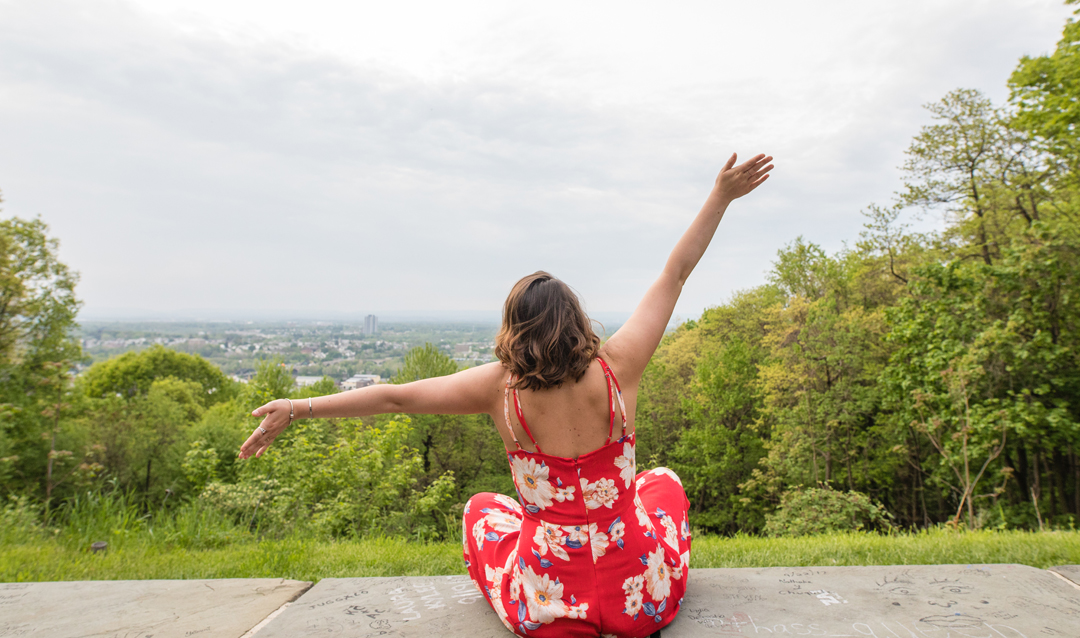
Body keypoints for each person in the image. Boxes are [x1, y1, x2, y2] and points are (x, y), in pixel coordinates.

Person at [239, 152, 774, 637]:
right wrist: (720, 196)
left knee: (482, 509)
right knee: (663, 483)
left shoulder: (499, 388)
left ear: (515, 329)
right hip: (639, 599)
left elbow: (394, 398)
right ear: (576, 319)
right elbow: (675, 273)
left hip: (550, 607)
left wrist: (299, 407)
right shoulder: (618, 366)